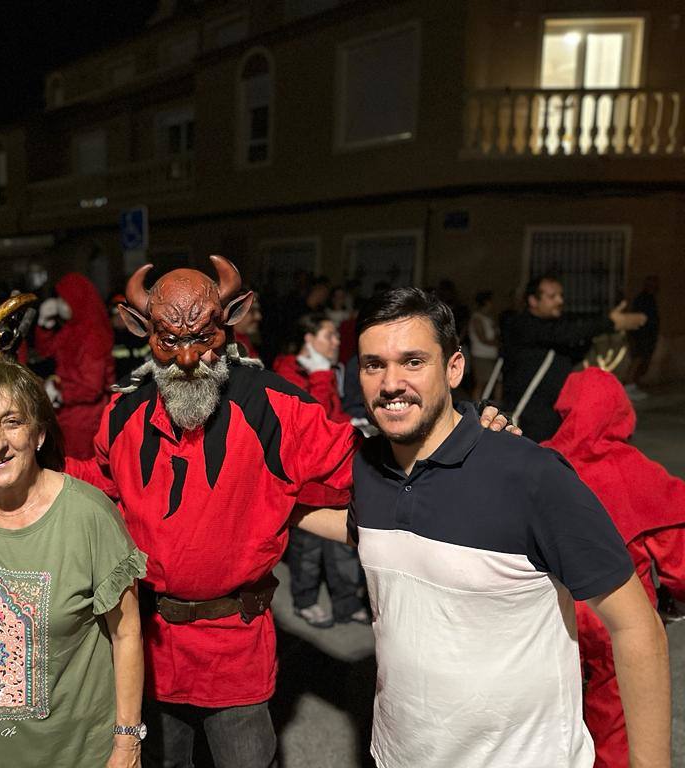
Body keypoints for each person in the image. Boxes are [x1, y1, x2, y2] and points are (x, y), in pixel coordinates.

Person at [67, 258, 514, 768]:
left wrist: (469, 444)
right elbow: (95, 484)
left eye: (204, 337)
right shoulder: (125, 413)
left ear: (230, 322)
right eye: (169, 341)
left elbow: (363, 465)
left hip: (236, 652)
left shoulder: (270, 407)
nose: (188, 358)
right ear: (143, 331)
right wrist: (26, 467)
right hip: (149, 646)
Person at [344, 287, 670, 768]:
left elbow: (637, 627)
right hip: (398, 754)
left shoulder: (531, 476)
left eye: (413, 361)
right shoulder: (368, 472)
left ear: (454, 368)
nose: (391, 382)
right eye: (374, 365)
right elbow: (364, 532)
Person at [0, 358, 147, 768]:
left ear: (38, 434)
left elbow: (127, 635)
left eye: (12, 421)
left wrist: (127, 745)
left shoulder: (89, 515)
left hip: (76, 754)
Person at [542, 367, 685, 768]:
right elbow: (679, 564)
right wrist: (673, 602)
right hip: (615, 620)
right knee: (615, 724)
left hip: (551, 617)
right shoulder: (637, 470)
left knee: (551, 723)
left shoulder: (539, 461)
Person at [273, 314, 367, 628]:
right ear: (309, 339)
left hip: (337, 479)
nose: (337, 341)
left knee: (343, 546)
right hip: (308, 482)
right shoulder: (287, 370)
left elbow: (334, 417)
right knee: (308, 550)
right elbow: (312, 423)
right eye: (329, 335)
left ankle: (346, 603)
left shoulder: (325, 369)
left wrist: (353, 425)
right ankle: (305, 601)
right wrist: (321, 376)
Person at [501, 274, 647, 441]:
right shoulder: (521, 324)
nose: (559, 301)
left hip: (556, 412)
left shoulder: (555, 324)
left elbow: (573, 340)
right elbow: (563, 334)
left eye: (561, 296)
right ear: (533, 301)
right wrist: (610, 322)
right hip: (528, 415)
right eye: (552, 296)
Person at [35, 273, 115, 458]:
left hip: (85, 420)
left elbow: (91, 387)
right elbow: (47, 350)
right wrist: (44, 324)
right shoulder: (73, 328)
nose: (60, 305)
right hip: (70, 414)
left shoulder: (92, 335)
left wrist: (61, 393)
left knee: (80, 469)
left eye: (64, 299)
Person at [625, 274, 660, 400]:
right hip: (640, 335)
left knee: (643, 361)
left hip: (647, 336)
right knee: (637, 360)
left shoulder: (650, 298)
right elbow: (639, 318)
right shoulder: (642, 299)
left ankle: (633, 385)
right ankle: (628, 386)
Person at [468, 290, 499, 400]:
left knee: (496, 381)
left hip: (491, 355)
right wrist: (498, 343)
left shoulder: (489, 318)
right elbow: (482, 338)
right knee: (481, 383)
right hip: (481, 355)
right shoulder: (477, 318)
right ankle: (475, 408)